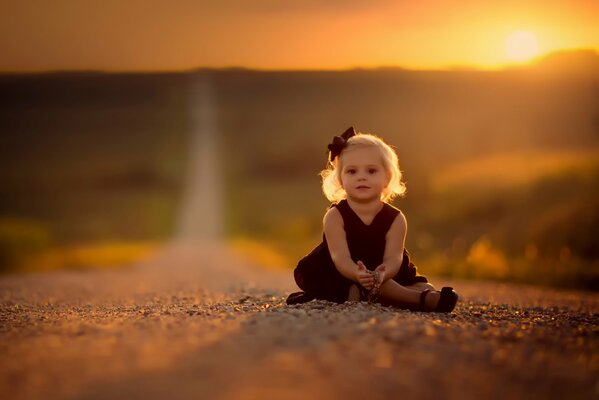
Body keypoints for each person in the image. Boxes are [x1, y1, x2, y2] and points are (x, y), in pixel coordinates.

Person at [286, 127, 458, 312]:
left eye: (371, 171)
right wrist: (357, 274)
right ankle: (419, 300)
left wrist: (382, 274)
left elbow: (394, 258)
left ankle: (381, 293)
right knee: (352, 286)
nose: (361, 177)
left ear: (387, 178)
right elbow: (340, 257)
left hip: (384, 271)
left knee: (423, 286)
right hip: (344, 272)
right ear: (341, 180)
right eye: (352, 172)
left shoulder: (396, 219)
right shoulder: (335, 216)